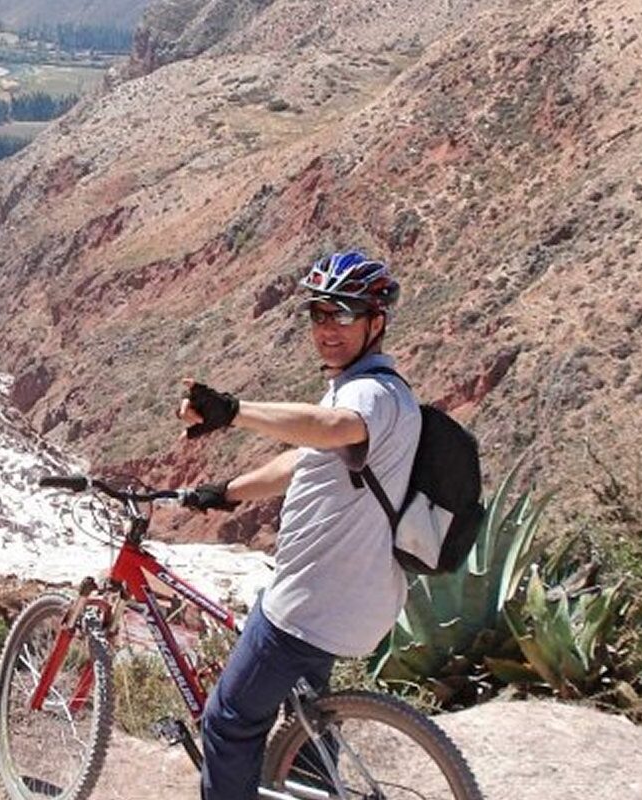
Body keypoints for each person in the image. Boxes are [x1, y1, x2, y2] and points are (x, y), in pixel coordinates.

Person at [175, 250, 419, 800]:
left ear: (375, 322)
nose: (328, 328)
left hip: (308, 604)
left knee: (228, 722)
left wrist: (233, 411)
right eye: (319, 314)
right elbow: (308, 455)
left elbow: (328, 425)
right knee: (308, 721)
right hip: (351, 598)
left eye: (344, 314)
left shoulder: (370, 395)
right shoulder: (374, 389)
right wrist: (227, 492)